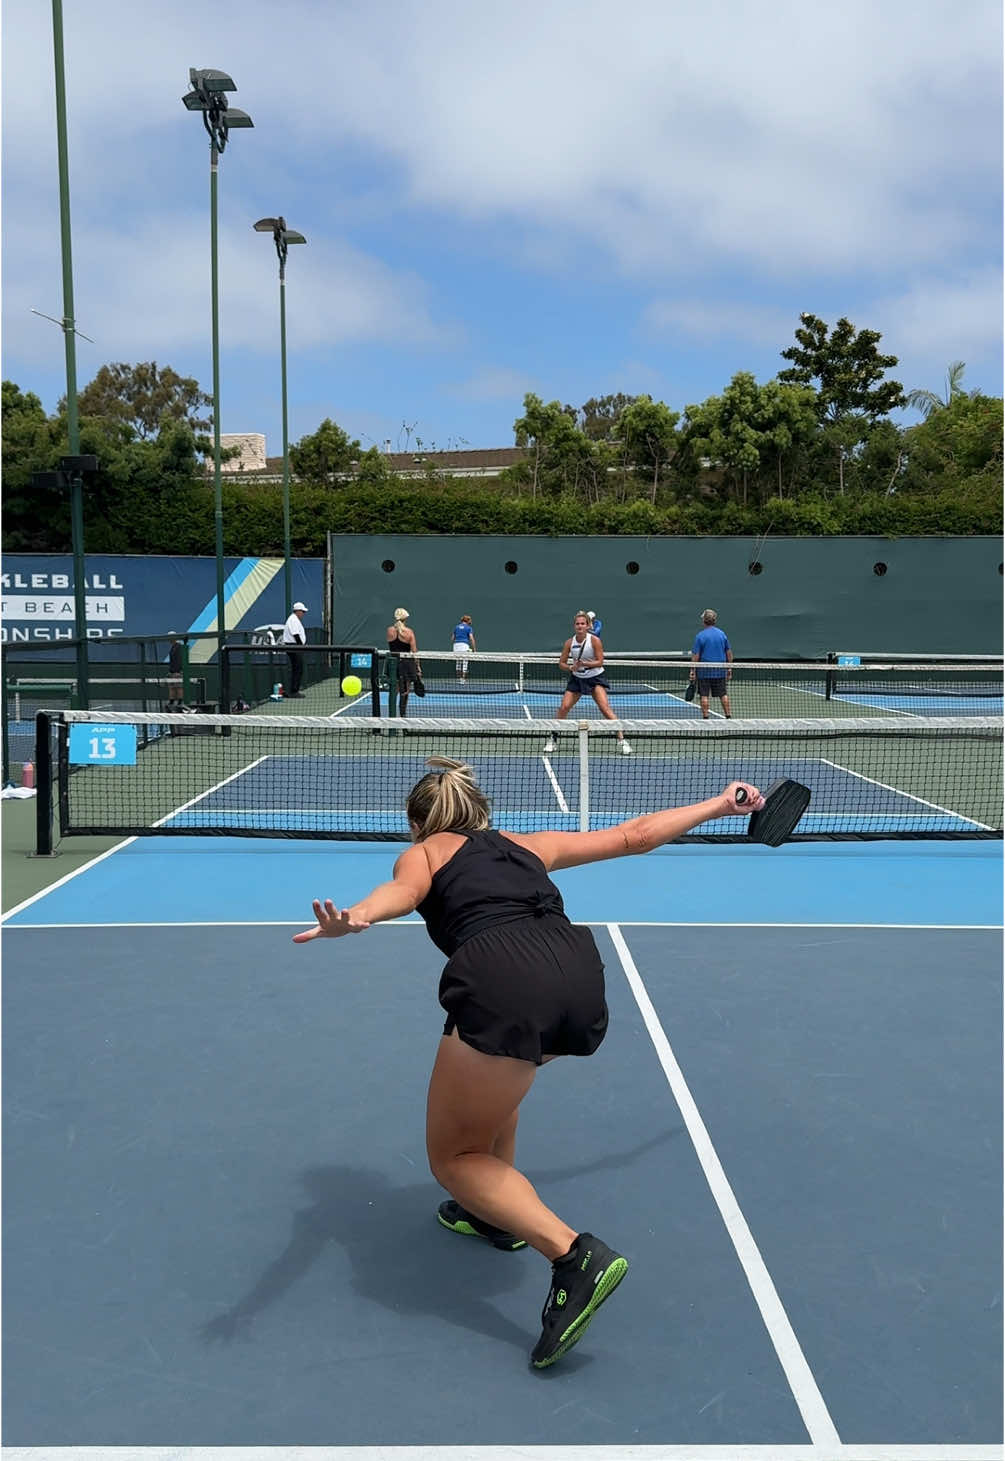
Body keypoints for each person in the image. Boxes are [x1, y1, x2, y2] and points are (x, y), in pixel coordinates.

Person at [294, 758, 765, 1367]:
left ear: (417, 823)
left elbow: (401, 894)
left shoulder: (424, 854)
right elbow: (635, 835)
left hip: (505, 981)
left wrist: (357, 916)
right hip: (576, 972)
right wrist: (720, 804)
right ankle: (495, 1218)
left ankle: (573, 1255)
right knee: (501, 1078)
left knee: (454, 1157)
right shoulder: (525, 845)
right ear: (481, 813)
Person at [543, 610, 631, 755]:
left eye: (583, 624)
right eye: (577, 624)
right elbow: (561, 663)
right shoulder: (569, 643)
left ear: (587, 626)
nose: (580, 626)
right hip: (577, 679)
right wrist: (571, 667)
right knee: (564, 707)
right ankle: (553, 740)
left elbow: (600, 661)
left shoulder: (595, 641)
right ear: (574, 626)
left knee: (605, 708)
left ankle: (622, 741)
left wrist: (584, 664)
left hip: (595, 678)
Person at [690, 608, 732, 720]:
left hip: (704, 672)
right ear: (714, 620)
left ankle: (706, 718)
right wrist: (729, 668)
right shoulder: (722, 634)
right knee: (723, 694)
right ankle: (728, 717)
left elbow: (696, 656)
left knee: (704, 695)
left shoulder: (700, 636)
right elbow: (728, 653)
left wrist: (692, 670)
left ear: (704, 620)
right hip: (720, 670)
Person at [386, 607, 422, 716]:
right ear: (405, 618)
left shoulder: (389, 631)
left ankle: (391, 715)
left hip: (393, 664)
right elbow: (414, 651)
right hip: (406, 665)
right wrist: (418, 667)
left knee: (393, 690)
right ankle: (403, 715)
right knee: (405, 692)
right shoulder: (409, 632)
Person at [283, 602, 309, 698]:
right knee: (298, 668)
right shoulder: (293, 619)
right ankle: (294, 691)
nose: (303, 614)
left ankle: (292, 690)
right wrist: (301, 646)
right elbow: (296, 634)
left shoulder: (294, 619)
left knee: (297, 668)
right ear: (297, 611)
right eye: (302, 611)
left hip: (295, 647)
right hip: (294, 647)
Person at [451, 614, 476, 681]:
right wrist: (474, 649)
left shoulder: (456, 627)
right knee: (465, 662)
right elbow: (471, 638)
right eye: (470, 620)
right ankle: (463, 679)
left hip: (456, 645)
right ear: (467, 620)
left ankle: (458, 678)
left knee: (458, 662)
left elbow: (452, 638)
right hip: (464, 645)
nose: (471, 621)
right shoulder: (469, 628)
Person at [166, 634, 184, 709]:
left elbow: (179, 660)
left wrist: (178, 671)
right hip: (172, 672)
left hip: (177, 672)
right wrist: (170, 671)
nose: (169, 640)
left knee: (179, 687)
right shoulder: (172, 647)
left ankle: (180, 702)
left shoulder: (179, 647)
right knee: (171, 688)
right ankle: (171, 701)